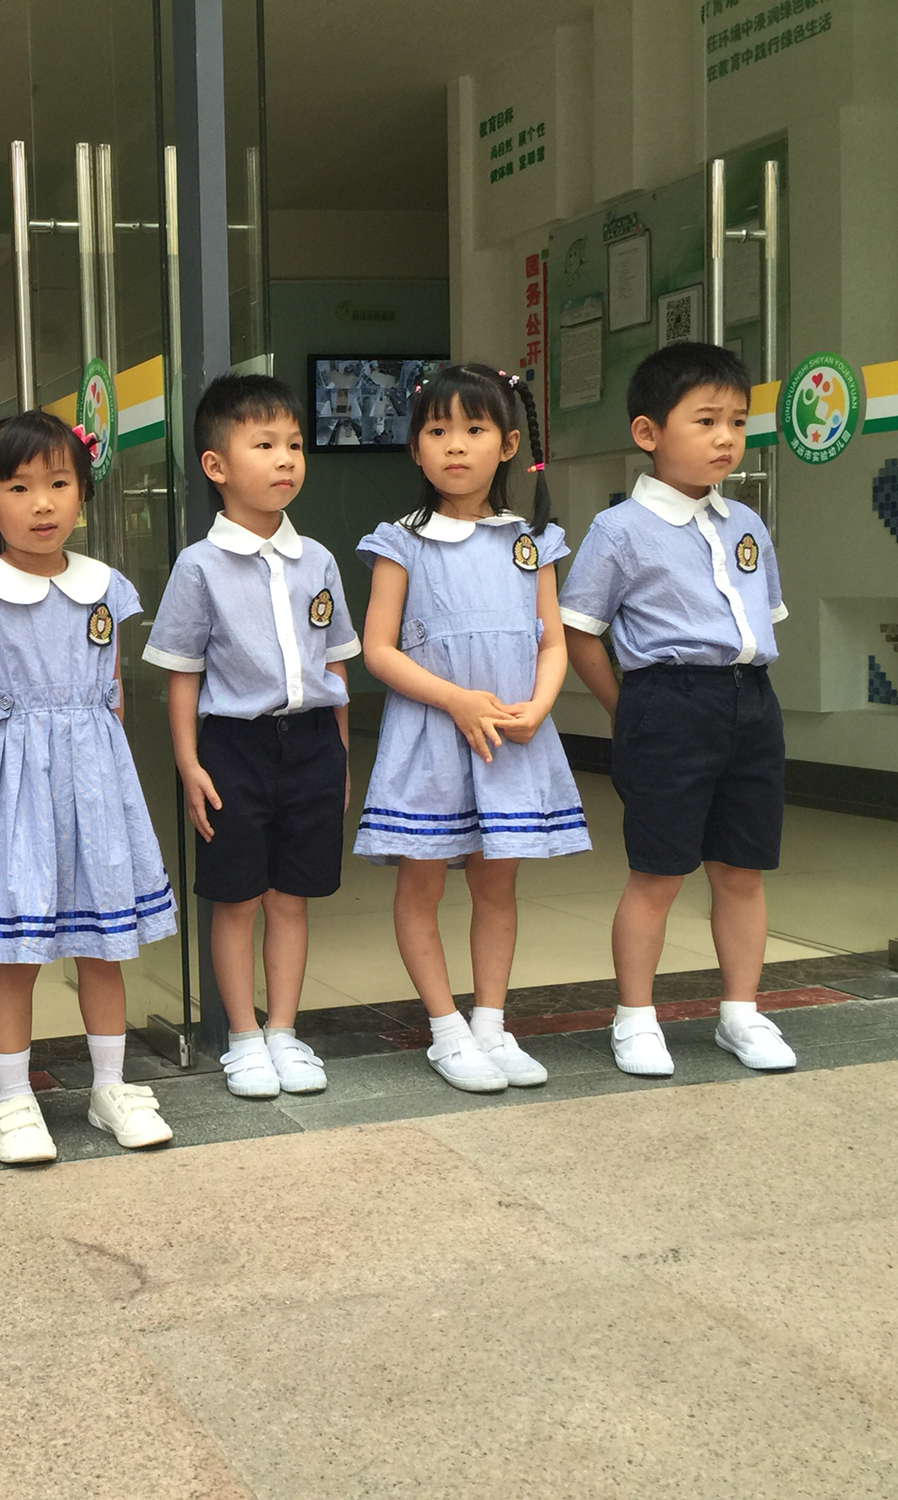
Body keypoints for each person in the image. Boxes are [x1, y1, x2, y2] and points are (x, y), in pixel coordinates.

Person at [0, 411, 180, 1164]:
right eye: (18, 487)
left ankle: (110, 1087)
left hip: (97, 779)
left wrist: (113, 777)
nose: (42, 503)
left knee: (104, 943)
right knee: (18, 947)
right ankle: (13, 1099)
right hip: (16, 779)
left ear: (82, 493)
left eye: (59, 484)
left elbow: (111, 690)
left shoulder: (105, 585)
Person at [559, 341, 796, 1078]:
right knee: (659, 872)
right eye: (706, 420)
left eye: (738, 422)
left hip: (751, 702)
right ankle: (634, 1018)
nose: (727, 437)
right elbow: (579, 630)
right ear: (648, 432)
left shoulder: (747, 523)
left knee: (742, 869)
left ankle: (741, 1012)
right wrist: (626, 706)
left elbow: (764, 618)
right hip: (667, 703)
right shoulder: (619, 530)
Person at [355, 364, 590, 1093]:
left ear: (508, 444)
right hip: (431, 737)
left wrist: (540, 704)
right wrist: (456, 700)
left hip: (509, 740)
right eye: (437, 430)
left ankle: (490, 1023)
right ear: (416, 449)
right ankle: (446, 1030)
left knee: (496, 885)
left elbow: (553, 642)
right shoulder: (402, 542)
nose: (455, 445)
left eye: (475, 429)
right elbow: (377, 649)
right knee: (421, 883)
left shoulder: (532, 542)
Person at [144, 374, 359, 1100]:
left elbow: (335, 664)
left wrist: (340, 757)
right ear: (217, 466)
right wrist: (188, 762)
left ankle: (284, 1031)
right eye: (264, 445)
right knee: (236, 897)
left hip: (313, 744)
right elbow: (182, 673)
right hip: (233, 748)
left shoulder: (318, 559)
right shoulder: (198, 566)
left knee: (291, 896)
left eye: (294, 444)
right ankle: (242, 1035)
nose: (286, 458)